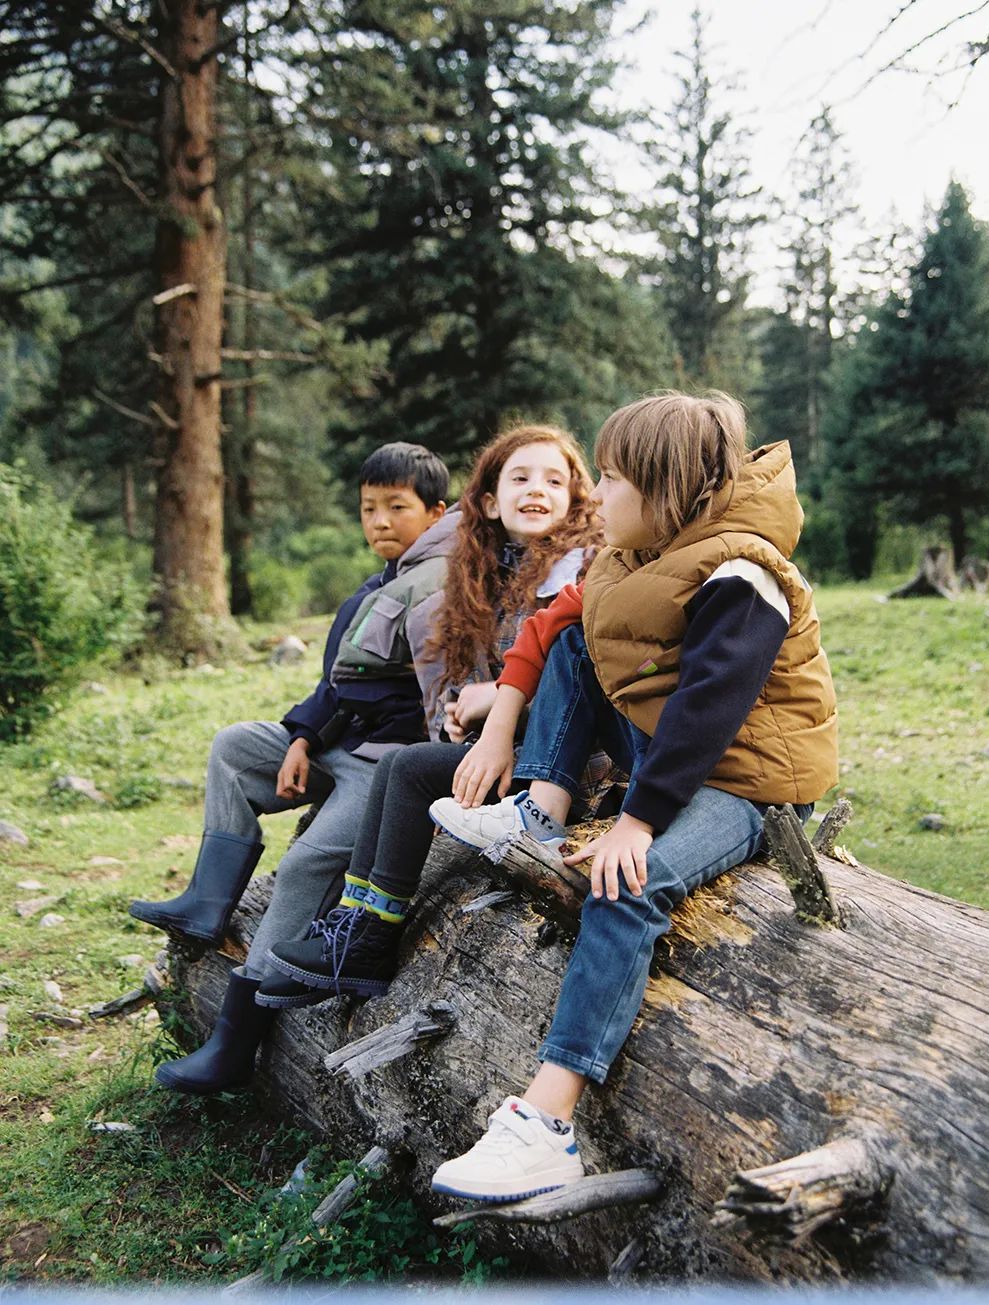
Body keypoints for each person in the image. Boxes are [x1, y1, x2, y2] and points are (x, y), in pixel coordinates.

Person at [425, 391, 839, 1203]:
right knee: (577, 643)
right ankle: (538, 808)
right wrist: (503, 720)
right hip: (678, 753)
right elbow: (558, 634)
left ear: (665, 487)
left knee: (627, 883)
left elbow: (708, 711)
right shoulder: (636, 554)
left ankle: (547, 1125)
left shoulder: (742, 571)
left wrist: (637, 822)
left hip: (748, 780)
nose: (596, 496)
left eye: (610, 479)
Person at [130, 441, 453, 1093]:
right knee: (235, 746)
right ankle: (207, 902)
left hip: (385, 761)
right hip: (338, 743)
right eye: (369, 509)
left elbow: (435, 699)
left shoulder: (445, 585)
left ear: (437, 512)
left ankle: (235, 1040)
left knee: (306, 859)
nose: (381, 522)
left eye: (398, 507)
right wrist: (303, 738)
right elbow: (337, 684)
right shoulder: (376, 585)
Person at [263, 424, 608, 998]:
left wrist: (495, 699)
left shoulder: (581, 570)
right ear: (490, 501)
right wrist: (464, 711)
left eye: (554, 479)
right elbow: (482, 676)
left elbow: (581, 681)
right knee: (413, 762)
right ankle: (353, 922)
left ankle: (368, 937)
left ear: (578, 496)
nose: (536, 490)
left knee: (410, 768)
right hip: (518, 749)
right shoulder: (490, 573)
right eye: (519, 477)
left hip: (575, 768)